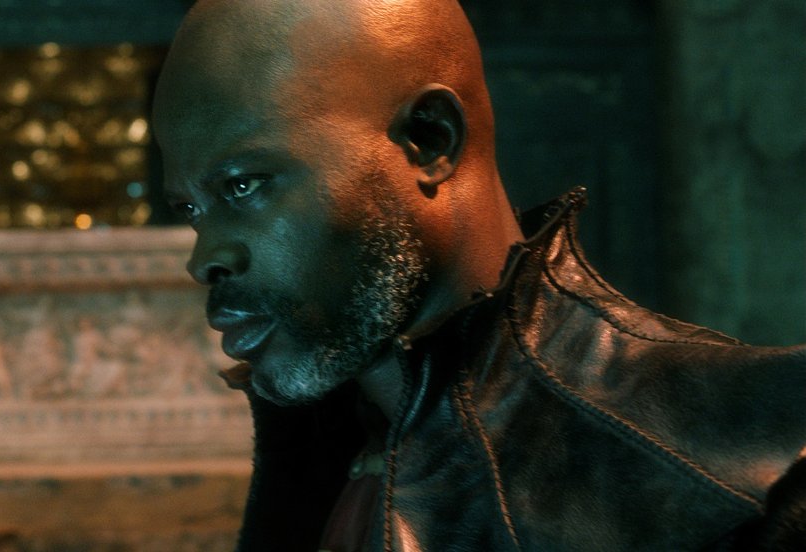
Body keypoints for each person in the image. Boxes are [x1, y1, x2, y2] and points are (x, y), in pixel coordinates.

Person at [150, 0, 806, 550]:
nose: (203, 258)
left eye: (244, 184)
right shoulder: (325, 454)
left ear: (429, 139)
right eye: (191, 209)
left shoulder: (747, 460)